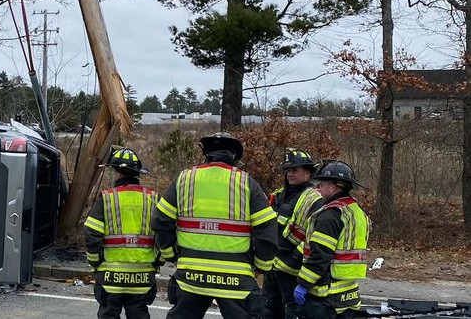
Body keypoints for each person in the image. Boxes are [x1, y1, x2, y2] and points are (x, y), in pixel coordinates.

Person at [152, 131, 277, 319]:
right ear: (234, 156)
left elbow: (161, 220)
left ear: (207, 154)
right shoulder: (246, 182)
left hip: (191, 275)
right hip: (235, 278)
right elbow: (266, 229)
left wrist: (171, 254)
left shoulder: (185, 179)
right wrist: (262, 265)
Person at [84, 147, 161, 319]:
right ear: (137, 174)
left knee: (108, 315)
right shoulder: (153, 199)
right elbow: (164, 232)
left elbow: (91, 233)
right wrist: (158, 261)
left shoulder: (107, 198)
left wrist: (95, 263)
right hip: (142, 277)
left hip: (111, 278)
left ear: (117, 173)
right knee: (139, 314)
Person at [293, 161, 371, 319]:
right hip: (347, 295)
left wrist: (303, 284)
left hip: (326, 296)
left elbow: (321, 254)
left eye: (321, 184)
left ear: (333, 187)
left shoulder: (330, 215)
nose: (318, 189)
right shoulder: (356, 211)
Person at [263, 149, 324, 319]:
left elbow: (312, 238)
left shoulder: (314, 199)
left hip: (294, 272)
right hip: (273, 268)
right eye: (288, 170)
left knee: (292, 313)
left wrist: (293, 259)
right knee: (268, 311)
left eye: (294, 170)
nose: (290, 174)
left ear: (308, 172)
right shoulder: (278, 195)